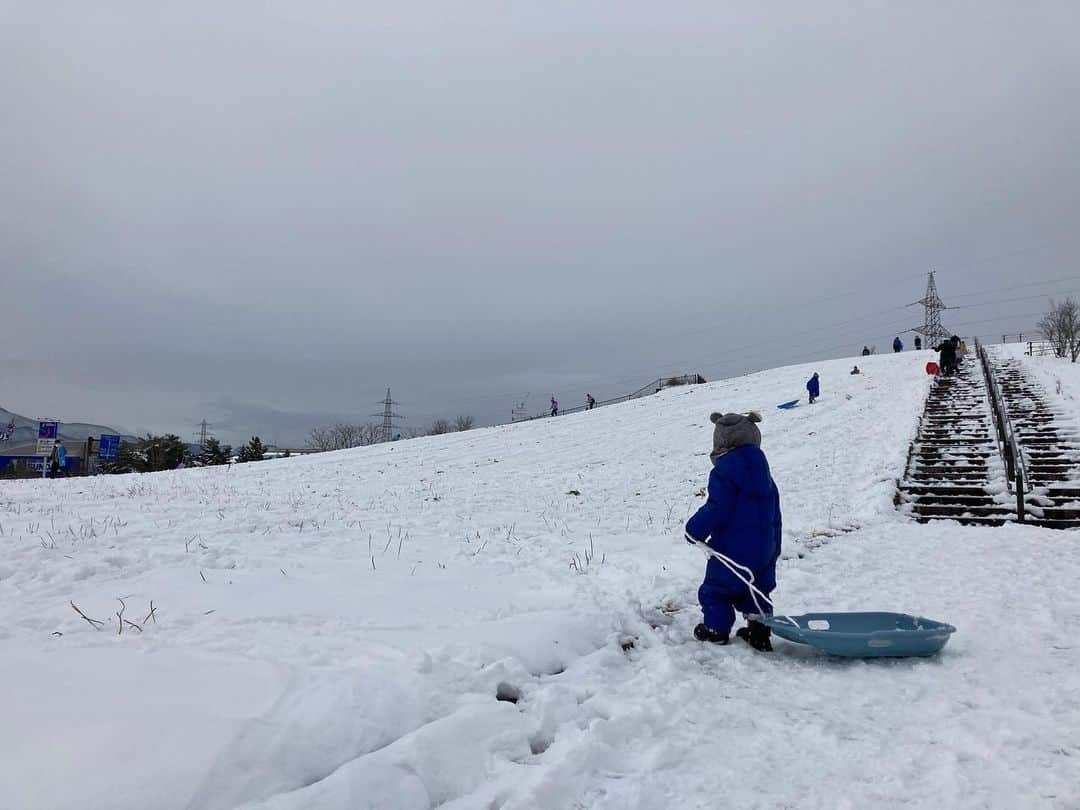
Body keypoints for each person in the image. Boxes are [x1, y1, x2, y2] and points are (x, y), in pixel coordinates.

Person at [685, 411, 782, 651]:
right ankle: (759, 631)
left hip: (733, 549)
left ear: (720, 442)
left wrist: (694, 530)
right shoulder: (765, 474)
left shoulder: (725, 472)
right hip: (764, 548)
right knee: (757, 588)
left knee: (717, 590)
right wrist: (774, 548)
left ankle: (716, 630)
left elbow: (718, 507)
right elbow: (775, 516)